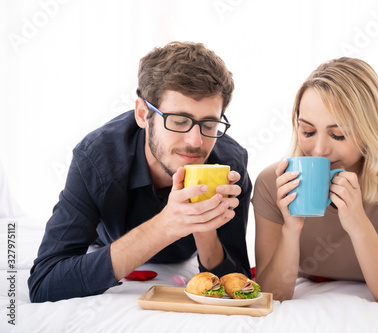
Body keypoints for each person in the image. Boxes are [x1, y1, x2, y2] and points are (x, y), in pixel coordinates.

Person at [28, 41, 252, 302]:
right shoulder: (97, 159)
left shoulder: (229, 165)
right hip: (107, 242)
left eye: (210, 124)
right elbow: (45, 282)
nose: (195, 141)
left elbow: (238, 283)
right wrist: (164, 226)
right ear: (143, 114)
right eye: (179, 121)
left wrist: (204, 228)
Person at [252, 57, 378, 307]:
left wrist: (358, 223)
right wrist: (290, 229)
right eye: (307, 131)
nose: (318, 150)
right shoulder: (272, 183)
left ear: (370, 130)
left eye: (338, 134)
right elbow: (273, 295)